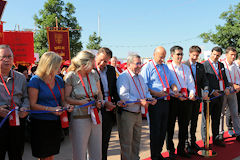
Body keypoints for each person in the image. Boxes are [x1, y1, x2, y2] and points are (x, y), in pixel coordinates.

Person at [28, 51, 73, 160]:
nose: (60, 68)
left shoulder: (58, 79)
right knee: (43, 154)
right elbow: (32, 105)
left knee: (51, 153)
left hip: (55, 122)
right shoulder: (35, 80)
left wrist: (67, 106)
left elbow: (62, 100)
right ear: (49, 65)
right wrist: (50, 109)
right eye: (58, 65)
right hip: (40, 123)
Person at [140, 46, 178, 160]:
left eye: (164, 57)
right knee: (155, 130)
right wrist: (156, 93)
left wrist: (175, 89)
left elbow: (172, 82)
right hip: (154, 101)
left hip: (166, 101)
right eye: (161, 57)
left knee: (163, 129)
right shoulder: (147, 67)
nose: (163, 60)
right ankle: (154, 155)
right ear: (154, 54)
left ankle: (159, 153)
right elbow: (144, 86)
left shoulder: (165, 67)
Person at [117, 54, 157, 160]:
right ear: (129, 64)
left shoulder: (140, 77)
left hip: (138, 113)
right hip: (127, 113)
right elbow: (124, 95)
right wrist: (140, 101)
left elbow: (145, 91)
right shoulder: (123, 77)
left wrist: (150, 98)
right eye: (137, 63)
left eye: (140, 63)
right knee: (126, 143)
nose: (139, 66)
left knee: (136, 142)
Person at [64, 50, 103, 160]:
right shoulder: (71, 76)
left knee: (96, 151)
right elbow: (66, 98)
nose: (94, 66)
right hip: (79, 118)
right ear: (83, 64)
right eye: (92, 63)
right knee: (79, 152)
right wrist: (79, 102)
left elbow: (99, 93)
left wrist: (100, 101)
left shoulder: (94, 74)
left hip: (95, 116)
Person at [0, 44, 29, 160]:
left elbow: (26, 97)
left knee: (16, 154)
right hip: (0, 121)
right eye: (3, 57)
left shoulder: (21, 77)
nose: (7, 60)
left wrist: (25, 108)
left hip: (16, 120)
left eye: (9, 57)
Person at [166, 46, 195, 159]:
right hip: (173, 100)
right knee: (170, 126)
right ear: (172, 55)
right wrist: (176, 95)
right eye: (178, 54)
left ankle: (181, 149)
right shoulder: (168, 68)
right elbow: (167, 86)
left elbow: (190, 83)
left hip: (186, 100)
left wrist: (192, 92)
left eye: (181, 54)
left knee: (184, 126)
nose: (180, 56)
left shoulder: (186, 68)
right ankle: (170, 150)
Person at [95, 48, 121, 160]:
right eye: (100, 60)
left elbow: (114, 88)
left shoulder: (111, 70)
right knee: (95, 141)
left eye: (105, 61)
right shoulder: (90, 70)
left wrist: (118, 100)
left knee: (106, 139)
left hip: (110, 107)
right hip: (96, 108)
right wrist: (104, 103)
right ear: (96, 56)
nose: (102, 64)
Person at [201, 46, 230, 147]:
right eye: (214, 54)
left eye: (217, 55)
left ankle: (216, 138)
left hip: (220, 95)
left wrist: (226, 87)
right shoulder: (204, 65)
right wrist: (212, 91)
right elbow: (203, 81)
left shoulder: (221, 64)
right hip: (209, 96)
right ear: (211, 53)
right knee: (206, 120)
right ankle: (205, 141)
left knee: (216, 118)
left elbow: (224, 78)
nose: (215, 57)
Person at [184, 46, 209, 154]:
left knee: (194, 121)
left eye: (197, 56)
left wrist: (206, 90)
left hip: (197, 98)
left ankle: (193, 141)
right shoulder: (184, 65)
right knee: (185, 122)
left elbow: (204, 80)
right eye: (193, 55)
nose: (195, 57)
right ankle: (185, 144)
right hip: (186, 99)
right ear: (189, 53)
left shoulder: (200, 66)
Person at [219, 47, 240, 141]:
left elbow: (238, 78)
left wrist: (238, 86)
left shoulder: (235, 65)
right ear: (226, 54)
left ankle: (238, 132)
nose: (233, 56)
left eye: (235, 55)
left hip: (233, 92)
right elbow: (222, 79)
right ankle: (220, 134)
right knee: (221, 114)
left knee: (235, 113)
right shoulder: (221, 64)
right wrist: (232, 84)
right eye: (231, 54)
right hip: (223, 92)